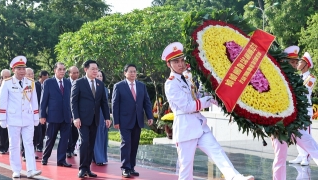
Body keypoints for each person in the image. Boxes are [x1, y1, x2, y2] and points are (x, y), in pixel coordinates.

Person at [162, 42, 254, 180]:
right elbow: (187, 106)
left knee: (217, 151)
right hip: (185, 127)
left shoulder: (187, 77)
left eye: (182, 60)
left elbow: (196, 97)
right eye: (176, 62)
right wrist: (205, 101)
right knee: (186, 168)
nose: (181, 64)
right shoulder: (170, 84)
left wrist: (213, 97)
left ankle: (235, 177)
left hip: (199, 125)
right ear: (169, 64)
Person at [271, 46, 318, 180]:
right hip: (279, 125)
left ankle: (305, 157)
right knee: (280, 158)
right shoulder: (276, 77)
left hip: (296, 120)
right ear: (284, 61)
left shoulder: (302, 78)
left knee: (311, 144)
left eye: (296, 61)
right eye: (292, 62)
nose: (295, 64)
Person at [0, 55, 41, 178]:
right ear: (14, 70)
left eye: (23, 68)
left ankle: (31, 169)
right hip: (13, 118)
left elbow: (34, 101)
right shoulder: (7, 83)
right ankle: (16, 169)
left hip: (27, 118)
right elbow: (2, 101)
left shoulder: (30, 82)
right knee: (14, 144)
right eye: (19, 68)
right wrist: (2, 118)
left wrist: (35, 116)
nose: (22, 71)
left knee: (29, 143)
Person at [112, 64, 154, 178]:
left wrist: (150, 116)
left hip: (138, 120)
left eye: (134, 71)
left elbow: (147, 102)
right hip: (124, 120)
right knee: (126, 143)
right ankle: (125, 168)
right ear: (125, 73)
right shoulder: (119, 86)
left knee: (134, 145)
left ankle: (131, 167)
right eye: (130, 71)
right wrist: (116, 121)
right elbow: (115, 105)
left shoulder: (141, 86)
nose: (133, 74)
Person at [71, 60, 111, 178]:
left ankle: (88, 168)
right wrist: (76, 117)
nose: (95, 71)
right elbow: (73, 101)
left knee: (91, 144)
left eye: (96, 69)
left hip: (95, 119)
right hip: (82, 119)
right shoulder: (79, 83)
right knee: (84, 142)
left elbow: (104, 102)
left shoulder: (100, 84)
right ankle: (82, 168)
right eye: (92, 69)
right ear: (85, 69)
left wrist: (107, 117)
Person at [39, 62, 72, 167]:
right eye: (60, 69)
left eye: (64, 69)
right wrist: (42, 115)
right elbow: (43, 101)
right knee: (50, 139)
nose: (62, 71)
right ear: (55, 70)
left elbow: (70, 100)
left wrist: (72, 115)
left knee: (64, 140)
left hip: (66, 116)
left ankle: (61, 160)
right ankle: (45, 158)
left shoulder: (67, 82)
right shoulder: (48, 82)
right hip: (53, 116)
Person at [289, 52, 316, 166]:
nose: (298, 63)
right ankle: (301, 155)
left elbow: (304, 91)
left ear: (306, 64)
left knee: (306, 133)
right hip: (298, 109)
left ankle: (307, 157)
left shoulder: (311, 78)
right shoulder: (298, 77)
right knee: (297, 133)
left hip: (305, 110)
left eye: (300, 62)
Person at [21, 68, 40, 161]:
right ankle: (25, 153)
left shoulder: (37, 85)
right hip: (24, 115)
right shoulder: (22, 85)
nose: (30, 76)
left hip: (35, 114)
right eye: (28, 74)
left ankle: (33, 151)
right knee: (26, 136)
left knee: (36, 134)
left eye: (32, 74)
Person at [93, 70, 110, 165]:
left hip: (103, 114)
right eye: (97, 76)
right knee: (97, 136)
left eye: (101, 76)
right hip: (95, 114)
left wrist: (108, 117)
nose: (99, 77)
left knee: (103, 136)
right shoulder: (92, 88)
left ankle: (102, 157)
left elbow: (106, 104)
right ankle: (97, 158)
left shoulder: (105, 89)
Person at [66, 66, 80, 158]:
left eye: (77, 72)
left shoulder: (80, 83)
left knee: (75, 132)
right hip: (67, 111)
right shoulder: (66, 83)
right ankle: (67, 149)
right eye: (73, 73)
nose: (76, 74)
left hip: (77, 112)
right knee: (68, 132)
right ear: (69, 73)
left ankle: (72, 148)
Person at [36, 70, 49, 152]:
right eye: (44, 79)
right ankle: (38, 144)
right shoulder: (36, 85)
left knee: (44, 129)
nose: (45, 81)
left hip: (46, 111)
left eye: (47, 79)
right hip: (36, 110)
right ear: (39, 78)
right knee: (38, 129)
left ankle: (40, 145)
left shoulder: (48, 85)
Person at [0, 69, 11, 154]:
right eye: (5, 77)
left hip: (8, 111)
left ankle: (3, 147)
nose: (7, 78)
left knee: (4, 130)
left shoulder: (12, 85)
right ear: (1, 77)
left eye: (8, 77)